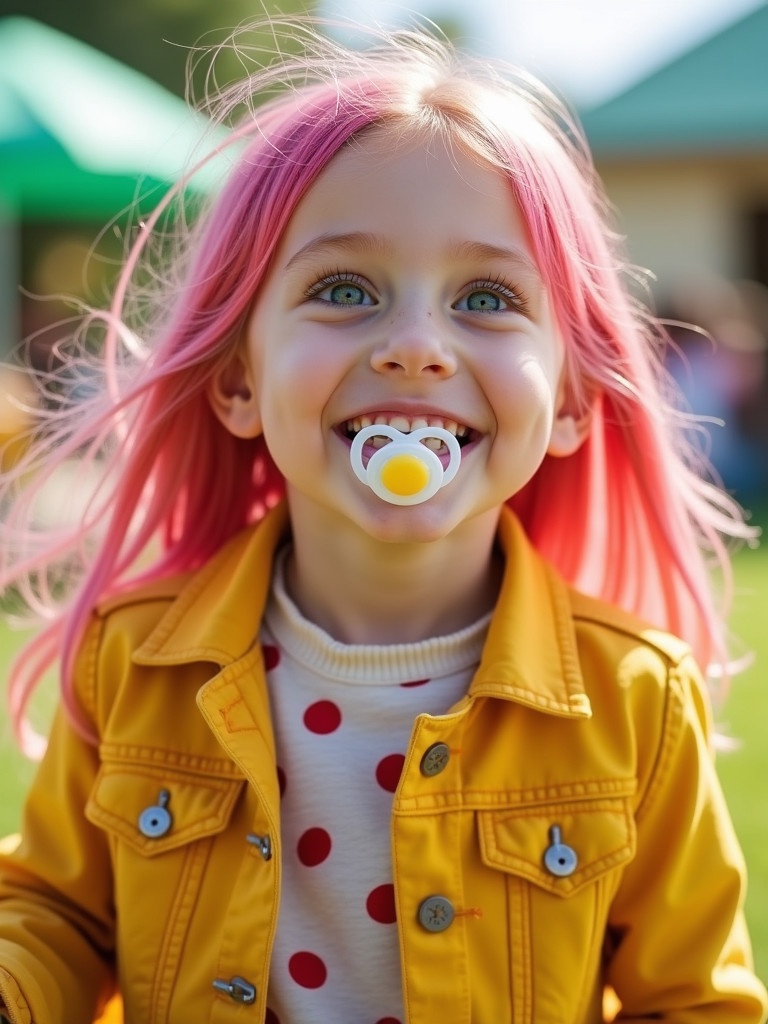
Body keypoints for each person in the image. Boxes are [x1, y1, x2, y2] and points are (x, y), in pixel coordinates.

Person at [0, 18, 765, 1024]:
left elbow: (696, 999)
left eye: (487, 297)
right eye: (344, 289)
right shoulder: (134, 660)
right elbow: (55, 914)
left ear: (575, 400)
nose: (415, 346)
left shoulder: (634, 700)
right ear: (238, 376)